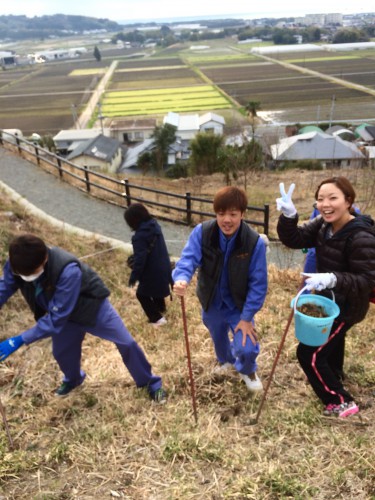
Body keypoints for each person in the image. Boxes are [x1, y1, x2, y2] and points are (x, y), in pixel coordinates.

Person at [0, 234, 167, 403]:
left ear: (44, 260)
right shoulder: (17, 264)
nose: (25, 277)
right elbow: (4, 288)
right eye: (21, 274)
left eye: (31, 273)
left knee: (126, 343)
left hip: (92, 308)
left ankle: (150, 383)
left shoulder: (67, 269)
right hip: (62, 317)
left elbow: (56, 318)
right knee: (62, 353)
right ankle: (73, 380)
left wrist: (19, 340)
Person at [276, 178, 375, 418]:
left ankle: (340, 400)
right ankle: (335, 376)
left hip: (346, 305)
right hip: (327, 301)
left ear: (348, 201)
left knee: (309, 354)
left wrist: (333, 279)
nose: (325, 204)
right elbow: (295, 240)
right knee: (333, 342)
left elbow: (367, 280)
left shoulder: (361, 236)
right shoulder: (323, 226)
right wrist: (289, 217)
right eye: (320, 199)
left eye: (333, 198)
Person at [172, 186, 268, 393]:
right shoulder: (203, 233)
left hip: (239, 305)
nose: (226, 220)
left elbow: (258, 283)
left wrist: (247, 316)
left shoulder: (253, 242)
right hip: (212, 300)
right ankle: (225, 360)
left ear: (242, 214)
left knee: (247, 346)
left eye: (233, 214)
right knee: (218, 335)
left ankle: (247, 369)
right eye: (221, 213)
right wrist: (181, 278)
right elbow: (188, 259)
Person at [124, 203, 173, 327]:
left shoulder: (139, 237)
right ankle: (162, 311)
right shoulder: (155, 226)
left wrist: (133, 277)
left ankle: (157, 319)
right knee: (156, 291)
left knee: (141, 294)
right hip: (164, 268)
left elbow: (140, 259)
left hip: (152, 271)